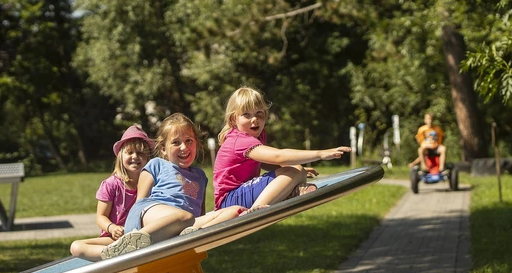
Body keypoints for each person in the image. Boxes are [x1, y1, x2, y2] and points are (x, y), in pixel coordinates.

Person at [100, 113, 242, 259]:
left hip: (186, 224)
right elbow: (139, 204)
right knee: (184, 216)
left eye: (189, 141)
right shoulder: (156, 165)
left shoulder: (200, 176)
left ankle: (192, 235)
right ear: (163, 149)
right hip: (151, 217)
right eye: (176, 142)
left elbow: (200, 212)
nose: (184, 147)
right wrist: (133, 229)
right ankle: (133, 241)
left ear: (197, 143)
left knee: (236, 211)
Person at [213, 86, 351, 211]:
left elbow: (264, 162)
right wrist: (320, 154)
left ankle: (292, 192)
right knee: (295, 171)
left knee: (297, 170)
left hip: (238, 195)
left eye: (259, 113)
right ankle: (255, 211)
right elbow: (279, 156)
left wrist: (293, 170)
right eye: (246, 114)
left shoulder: (257, 136)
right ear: (233, 119)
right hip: (229, 201)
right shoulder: (239, 140)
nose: (254, 119)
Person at [70, 125, 155, 260]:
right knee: (76, 246)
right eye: (129, 152)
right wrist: (112, 228)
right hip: (114, 239)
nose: (135, 156)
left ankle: (122, 254)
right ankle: (116, 254)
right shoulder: (111, 184)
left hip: (141, 237)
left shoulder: (153, 183)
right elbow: (101, 217)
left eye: (140, 153)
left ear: (148, 158)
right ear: (121, 156)